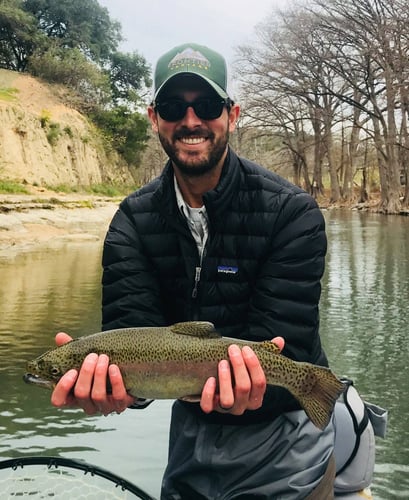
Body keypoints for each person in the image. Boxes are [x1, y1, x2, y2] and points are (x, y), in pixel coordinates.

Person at [51, 43, 337, 499]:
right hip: (191, 438)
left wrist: (260, 387)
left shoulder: (291, 213)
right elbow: (130, 335)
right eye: (172, 107)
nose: (190, 121)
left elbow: (292, 346)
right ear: (153, 117)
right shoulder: (133, 221)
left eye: (205, 105)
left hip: (285, 440)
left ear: (232, 114)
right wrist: (117, 391)